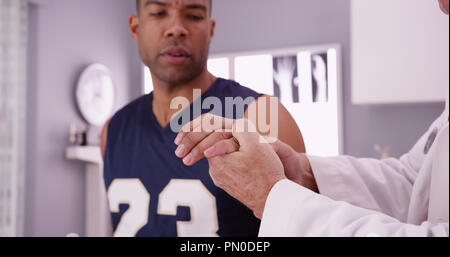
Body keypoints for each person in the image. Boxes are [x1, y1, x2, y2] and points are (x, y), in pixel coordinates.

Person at [175, 0, 449, 236]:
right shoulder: (130, 119)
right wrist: (305, 173)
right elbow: (414, 181)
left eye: (194, 14)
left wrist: (273, 196)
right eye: (158, 12)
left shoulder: (263, 111)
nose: (442, 6)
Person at [100, 0, 305, 237]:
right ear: (136, 28)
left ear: (210, 29)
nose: (176, 28)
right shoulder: (113, 129)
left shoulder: (262, 116)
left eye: (194, 16)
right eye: (158, 13)